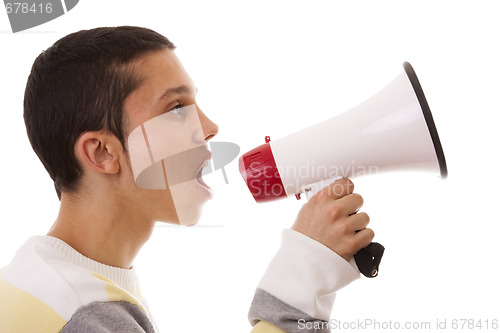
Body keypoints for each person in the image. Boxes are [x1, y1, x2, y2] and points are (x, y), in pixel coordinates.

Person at [0, 26, 374, 332]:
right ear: (102, 152)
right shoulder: (82, 314)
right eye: (177, 108)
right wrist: (301, 279)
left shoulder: (45, 283)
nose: (210, 128)